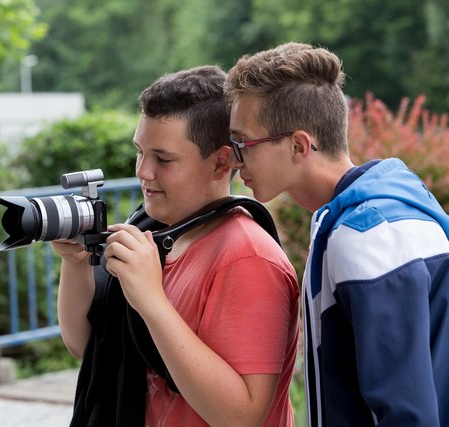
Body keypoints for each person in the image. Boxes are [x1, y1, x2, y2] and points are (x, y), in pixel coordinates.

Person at [52, 65, 299, 426]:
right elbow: (84, 345)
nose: (143, 171)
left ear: (221, 162)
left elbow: (242, 417)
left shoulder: (248, 258)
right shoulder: (151, 231)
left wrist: (152, 302)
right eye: (140, 152)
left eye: (163, 159)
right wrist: (75, 264)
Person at [225, 42, 449, 426]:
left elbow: (406, 413)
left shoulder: (365, 235)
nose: (233, 158)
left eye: (242, 144)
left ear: (299, 145)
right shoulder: (370, 213)